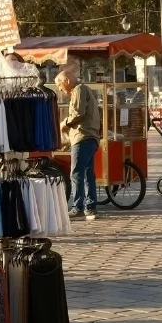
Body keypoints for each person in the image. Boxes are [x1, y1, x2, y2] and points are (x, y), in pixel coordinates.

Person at [56, 71, 101, 220]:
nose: (61, 90)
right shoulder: (85, 90)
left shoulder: (79, 90)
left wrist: (65, 123)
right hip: (90, 137)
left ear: (67, 80)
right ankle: (90, 207)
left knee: (76, 173)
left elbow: (78, 113)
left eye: (60, 86)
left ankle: (78, 207)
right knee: (88, 173)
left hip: (83, 137)